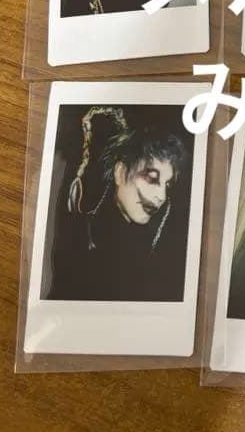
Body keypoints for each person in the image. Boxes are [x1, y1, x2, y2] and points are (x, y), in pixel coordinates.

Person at [47, 108, 190, 301]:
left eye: (167, 184)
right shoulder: (77, 232)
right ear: (120, 173)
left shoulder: (161, 247)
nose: (162, 196)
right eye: (152, 178)